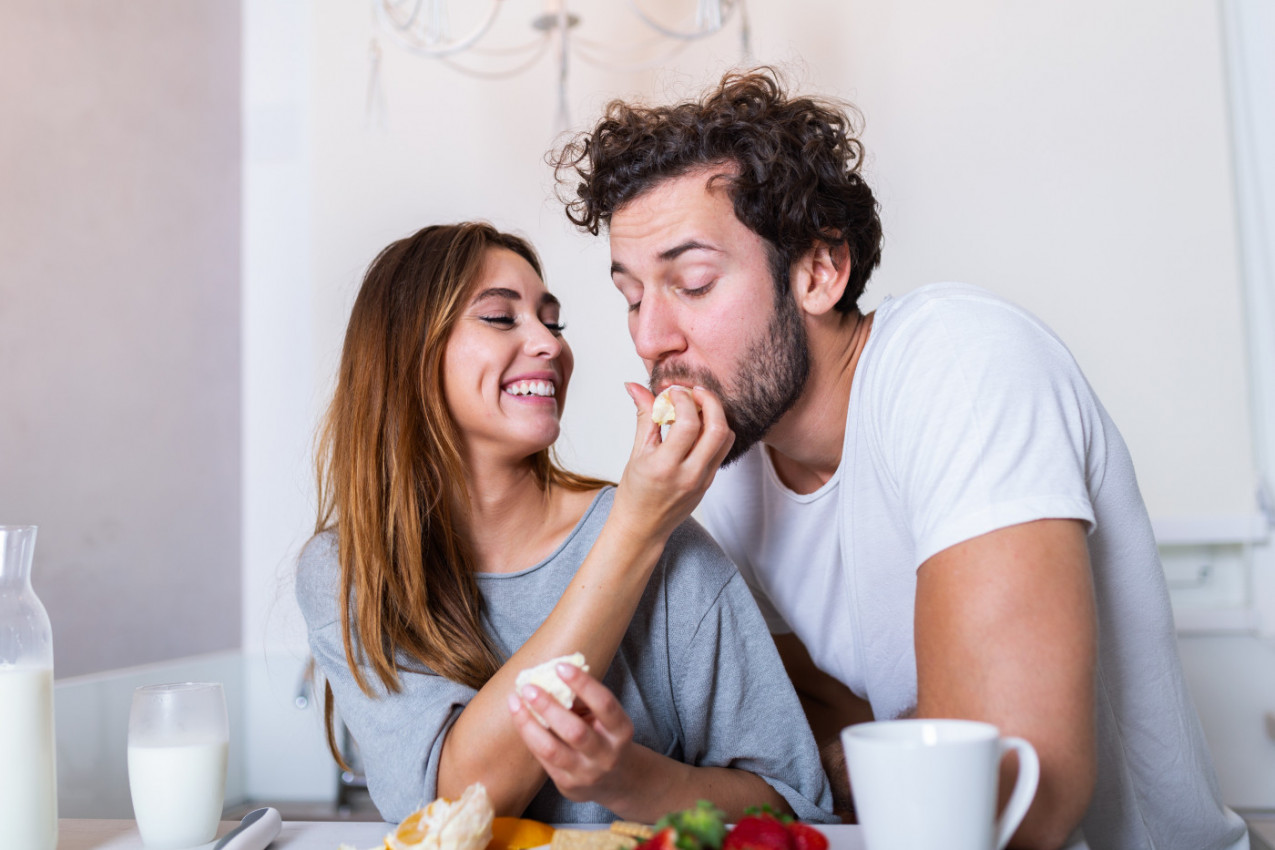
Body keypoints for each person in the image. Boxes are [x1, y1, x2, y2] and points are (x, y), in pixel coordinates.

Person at [553, 69, 1250, 850]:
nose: (650, 339)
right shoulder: (726, 479)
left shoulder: (962, 362)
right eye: (632, 297)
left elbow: (1016, 801)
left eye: (691, 283)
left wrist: (853, 761)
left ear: (819, 272)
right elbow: (807, 747)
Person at [295, 222, 834, 825]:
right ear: (406, 356)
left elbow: (796, 805)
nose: (549, 345)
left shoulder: (670, 546)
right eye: (500, 318)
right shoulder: (349, 571)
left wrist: (633, 781)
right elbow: (451, 807)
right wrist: (632, 531)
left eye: (553, 323)